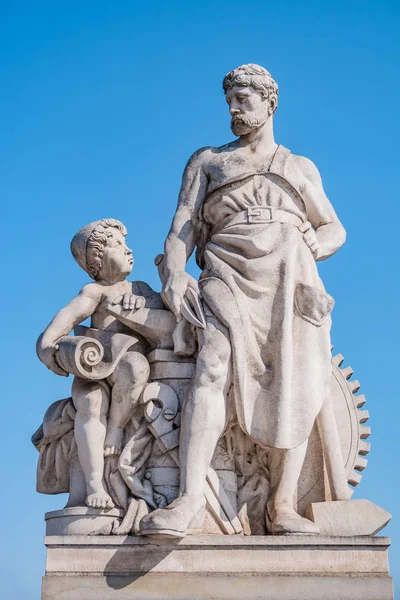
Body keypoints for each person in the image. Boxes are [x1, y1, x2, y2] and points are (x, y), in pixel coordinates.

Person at [140, 64, 347, 537]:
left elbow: (334, 226)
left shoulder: (299, 166)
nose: (234, 108)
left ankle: (282, 505)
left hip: (293, 277)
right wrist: (174, 271)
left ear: (270, 102)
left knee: (298, 379)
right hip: (228, 268)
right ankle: (191, 500)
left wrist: (319, 243)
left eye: (244, 99)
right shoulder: (209, 161)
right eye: (229, 99)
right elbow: (181, 229)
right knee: (213, 364)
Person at [37, 218, 153, 508]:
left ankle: (115, 428)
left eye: (126, 244)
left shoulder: (141, 291)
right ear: (96, 261)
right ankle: (94, 485)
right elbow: (64, 321)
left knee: (136, 365)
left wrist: (144, 307)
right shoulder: (94, 292)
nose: (128, 251)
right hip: (95, 369)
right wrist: (48, 346)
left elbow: (167, 321)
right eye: (117, 245)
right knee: (90, 403)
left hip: (128, 366)